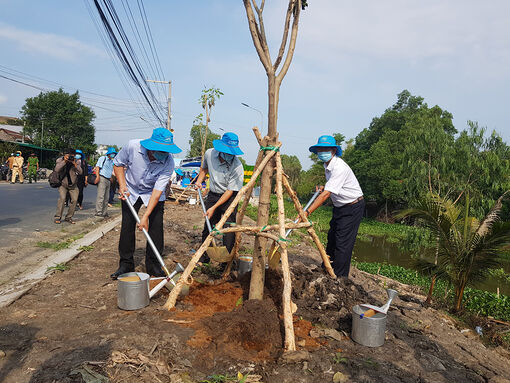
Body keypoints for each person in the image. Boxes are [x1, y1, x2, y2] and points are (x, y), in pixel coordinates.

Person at [111, 127, 181, 279]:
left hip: (152, 192)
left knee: (156, 227)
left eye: (166, 151)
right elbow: (118, 164)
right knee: (127, 226)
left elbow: (157, 193)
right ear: (151, 146)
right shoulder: (132, 147)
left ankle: (154, 265)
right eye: (160, 150)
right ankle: (125, 265)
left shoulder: (168, 162)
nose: (163, 154)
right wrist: (122, 186)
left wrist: (146, 216)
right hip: (131, 189)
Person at [303, 135, 365, 277]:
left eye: (325, 149)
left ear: (333, 151)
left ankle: (340, 277)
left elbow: (326, 195)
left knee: (343, 244)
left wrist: (307, 212)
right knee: (332, 238)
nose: (322, 152)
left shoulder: (339, 167)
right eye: (320, 149)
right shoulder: (328, 166)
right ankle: (326, 268)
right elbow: (331, 188)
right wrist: (324, 188)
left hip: (352, 207)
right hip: (340, 207)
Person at [195, 132, 244, 264]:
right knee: (208, 225)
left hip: (229, 197)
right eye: (227, 151)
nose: (229, 155)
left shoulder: (238, 167)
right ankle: (204, 256)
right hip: (213, 194)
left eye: (231, 152)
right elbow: (204, 169)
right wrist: (200, 181)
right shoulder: (209, 154)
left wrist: (214, 207)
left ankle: (226, 262)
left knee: (228, 229)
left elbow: (229, 191)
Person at [54, 148, 83, 224]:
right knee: (62, 199)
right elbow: (56, 169)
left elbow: (80, 172)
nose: (71, 157)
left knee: (74, 200)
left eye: (72, 156)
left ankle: (69, 217)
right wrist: (65, 161)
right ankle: (58, 216)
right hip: (63, 184)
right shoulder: (60, 160)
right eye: (69, 156)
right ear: (65, 155)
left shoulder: (76, 161)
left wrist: (75, 164)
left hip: (73, 185)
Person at [95, 147, 117, 217]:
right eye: (112, 153)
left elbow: (111, 170)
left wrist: (111, 178)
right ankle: (98, 212)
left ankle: (104, 212)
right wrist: (97, 176)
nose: (113, 155)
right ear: (109, 153)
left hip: (108, 179)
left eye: (114, 154)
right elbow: (97, 167)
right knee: (101, 196)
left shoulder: (112, 161)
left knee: (106, 197)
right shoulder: (103, 158)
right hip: (102, 178)